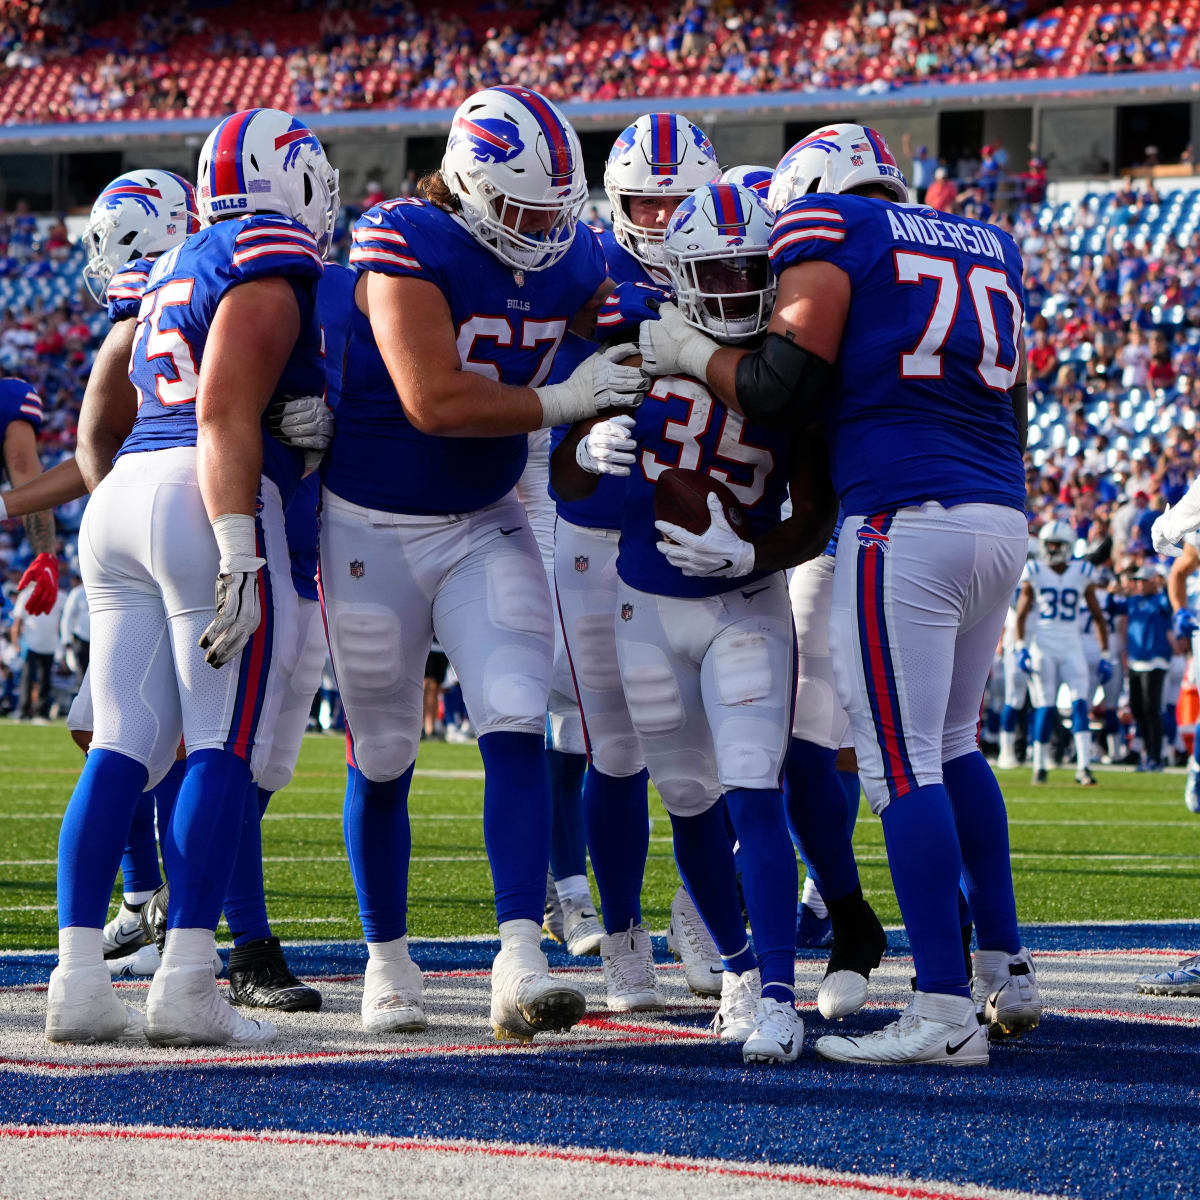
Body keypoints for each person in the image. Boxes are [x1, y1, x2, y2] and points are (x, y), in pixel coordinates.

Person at [636, 123, 1041, 1065]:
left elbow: (779, 383)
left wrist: (686, 353)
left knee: (901, 764)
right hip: (998, 511)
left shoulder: (831, 231)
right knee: (953, 744)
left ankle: (942, 1009)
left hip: (905, 516)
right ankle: (1004, 964)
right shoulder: (986, 241)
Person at [322, 86, 647, 1041]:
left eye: (558, 209)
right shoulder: (401, 239)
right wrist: (565, 402)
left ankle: (520, 955)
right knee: (383, 752)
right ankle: (387, 962)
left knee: (512, 715)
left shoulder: (574, 248)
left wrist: (618, 365)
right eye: (524, 210)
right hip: (369, 528)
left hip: (486, 518)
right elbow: (433, 399)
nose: (546, 230)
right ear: (464, 188)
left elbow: (618, 326)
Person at [45, 107, 337, 1047]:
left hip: (122, 497)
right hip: (199, 498)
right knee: (219, 745)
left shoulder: (174, 262)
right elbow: (220, 413)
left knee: (124, 745)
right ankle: (187, 983)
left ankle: (79, 982)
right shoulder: (267, 253)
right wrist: (242, 545)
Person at [556, 181, 829, 1064]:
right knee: (686, 796)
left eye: (754, 269)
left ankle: (781, 994)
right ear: (679, 269)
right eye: (719, 270)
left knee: (753, 792)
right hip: (641, 604)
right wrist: (582, 449)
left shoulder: (790, 364)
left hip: (744, 605)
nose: (738, 287)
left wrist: (756, 558)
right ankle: (743, 974)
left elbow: (816, 512)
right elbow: (568, 482)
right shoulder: (634, 339)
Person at [550, 112, 723, 1009]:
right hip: (597, 532)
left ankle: (700, 908)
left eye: (674, 204)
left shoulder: (742, 249)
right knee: (614, 747)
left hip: (704, 532)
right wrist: (582, 440)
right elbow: (537, 407)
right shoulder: (581, 268)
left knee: (721, 750)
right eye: (642, 206)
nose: (658, 224)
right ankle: (621, 935)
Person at [1015, 520, 1112, 786]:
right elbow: (1021, 615)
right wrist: (1021, 648)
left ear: (1068, 546)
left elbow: (1098, 615)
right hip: (1043, 644)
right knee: (1045, 706)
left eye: (1057, 544)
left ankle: (1083, 766)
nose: (1052, 548)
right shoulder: (1034, 570)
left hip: (1071, 643)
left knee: (1081, 702)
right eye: (1049, 544)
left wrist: (1105, 654)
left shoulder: (1082, 571)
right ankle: (1039, 766)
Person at [1118, 566, 1174, 770]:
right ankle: (1147, 753)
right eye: (1138, 580)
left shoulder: (1161, 600)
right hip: (1136, 660)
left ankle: (1155, 757)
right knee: (1137, 708)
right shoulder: (1133, 601)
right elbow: (1113, 606)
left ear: (1153, 582)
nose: (1139, 584)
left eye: (1143, 580)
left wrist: (1166, 585)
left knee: (1152, 709)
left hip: (1155, 660)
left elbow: (1171, 602)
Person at [11, 577, 63, 722]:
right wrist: (16, 643)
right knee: (27, 677)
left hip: (50, 644)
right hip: (30, 643)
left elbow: (63, 621)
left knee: (45, 679)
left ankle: (41, 713)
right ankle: (23, 712)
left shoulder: (60, 596)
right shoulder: (26, 595)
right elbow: (18, 620)